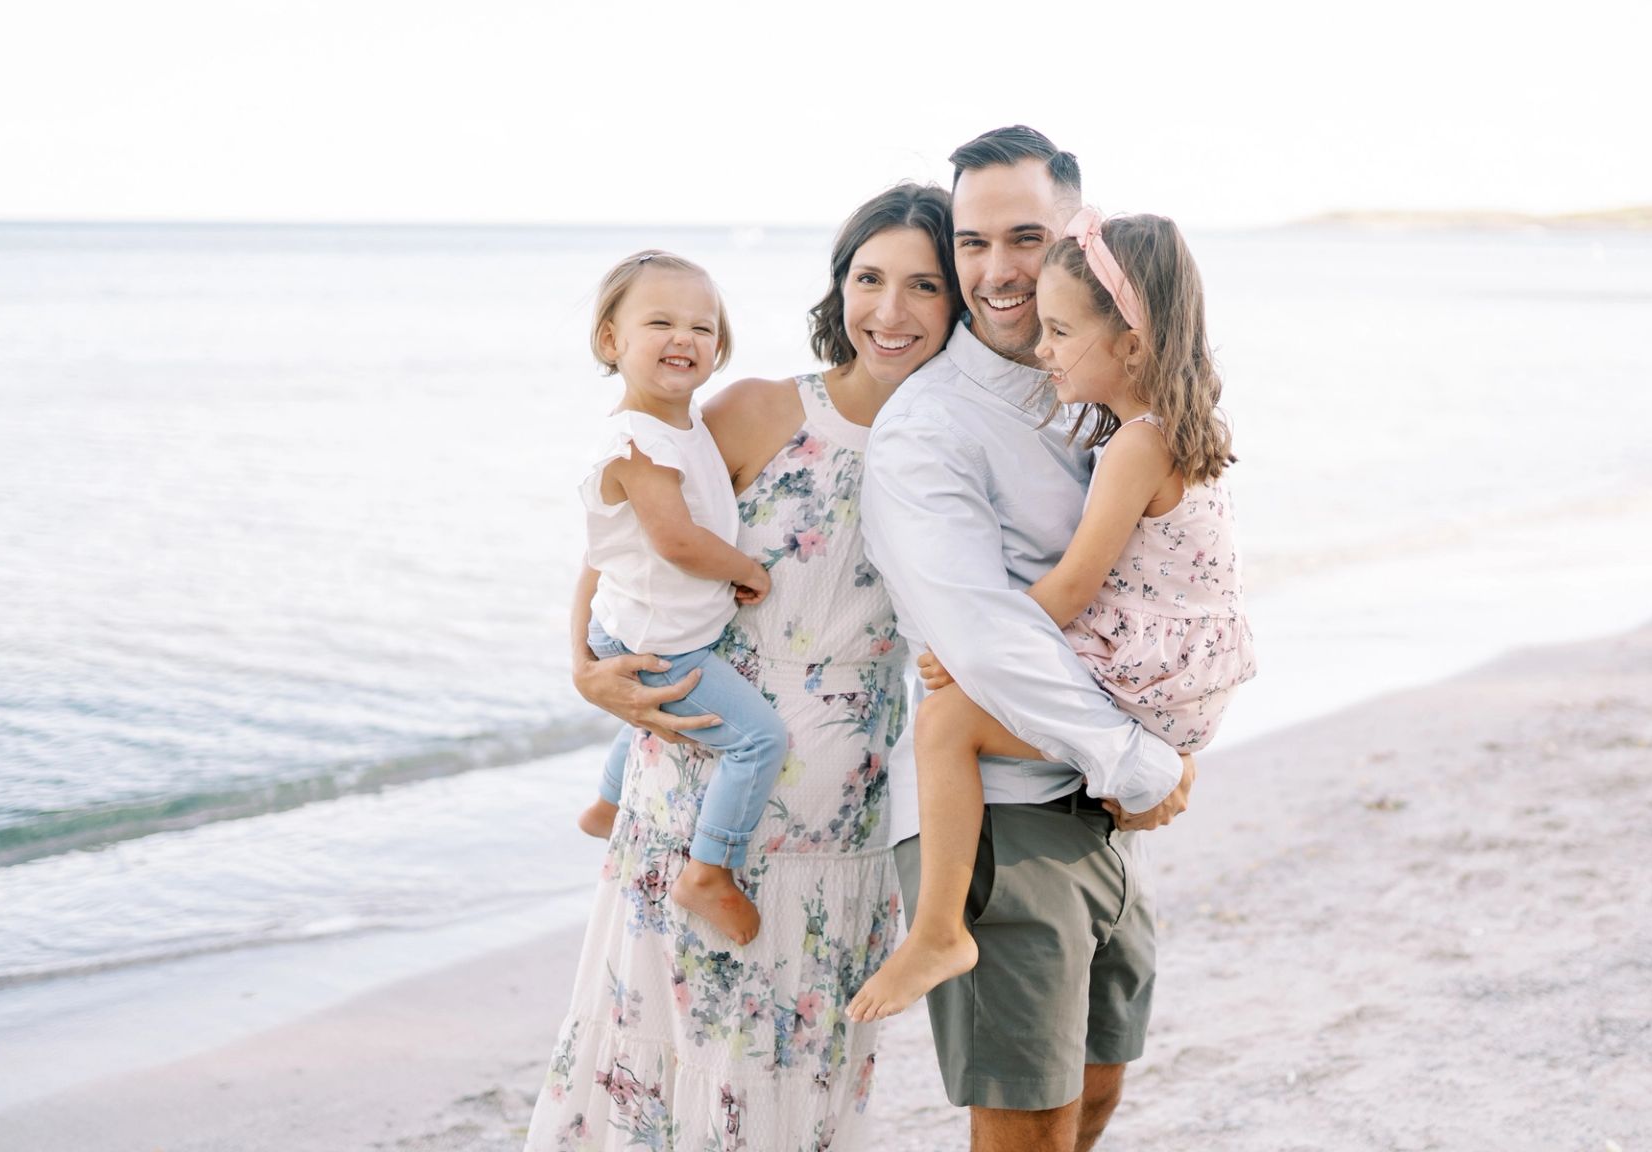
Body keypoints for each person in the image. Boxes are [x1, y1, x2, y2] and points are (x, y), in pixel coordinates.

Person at [526, 183, 962, 1152]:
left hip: (842, 806)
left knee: (792, 1063)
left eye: (925, 286)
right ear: (838, 286)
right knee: (662, 1045)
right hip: (696, 790)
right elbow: (624, 547)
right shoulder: (760, 408)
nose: (889, 310)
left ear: (961, 300)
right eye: (869, 277)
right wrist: (583, 668)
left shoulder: (956, 447)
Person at [861, 126, 1197, 1152]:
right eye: (971, 243)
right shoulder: (932, 426)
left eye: (1025, 237)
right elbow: (985, 636)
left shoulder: (1095, 393)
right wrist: (1136, 758)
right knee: (1028, 1122)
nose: (997, 272)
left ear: (1077, 242)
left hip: (1090, 802)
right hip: (1000, 818)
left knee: (1095, 1093)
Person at [848, 208, 1255, 1024]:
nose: (1043, 347)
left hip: (1155, 674)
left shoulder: (1133, 445)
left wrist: (968, 652)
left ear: (1131, 345)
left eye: (1061, 331)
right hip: (1186, 669)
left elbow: (1070, 589)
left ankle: (936, 932)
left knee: (943, 724)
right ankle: (938, 932)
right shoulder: (1174, 427)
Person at [574, 248, 787, 946]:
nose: (683, 339)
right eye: (660, 322)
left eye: (702, 327)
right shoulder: (637, 443)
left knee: (651, 718)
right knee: (758, 739)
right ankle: (709, 869)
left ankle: (608, 806)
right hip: (654, 638)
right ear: (612, 340)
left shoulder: (682, 427)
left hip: (648, 627)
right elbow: (676, 540)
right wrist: (746, 571)